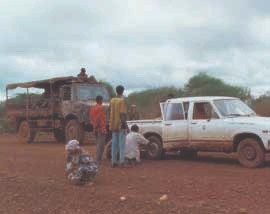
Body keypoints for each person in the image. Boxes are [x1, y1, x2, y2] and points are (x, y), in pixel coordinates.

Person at [109, 85, 128, 167]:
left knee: (114, 144)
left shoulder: (112, 100)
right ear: (122, 91)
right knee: (122, 144)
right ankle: (122, 162)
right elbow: (122, 114)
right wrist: (125, 124)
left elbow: (109, 110)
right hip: (120, 124)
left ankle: (113, 162)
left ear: (116, 91)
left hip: (113, 124)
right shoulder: (122, 101)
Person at [90, 95, 107, 165]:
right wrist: (97, 127)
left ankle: (98, 159)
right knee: (101, 145)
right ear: (100, 100)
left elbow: (91, 118)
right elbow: (98, 119)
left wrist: (94, 127)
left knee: (98, 144)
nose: (102, 102)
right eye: (102, 100)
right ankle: (97, 160)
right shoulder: (100, 108)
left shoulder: (92, 108)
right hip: (100, 128)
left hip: (95, 127)